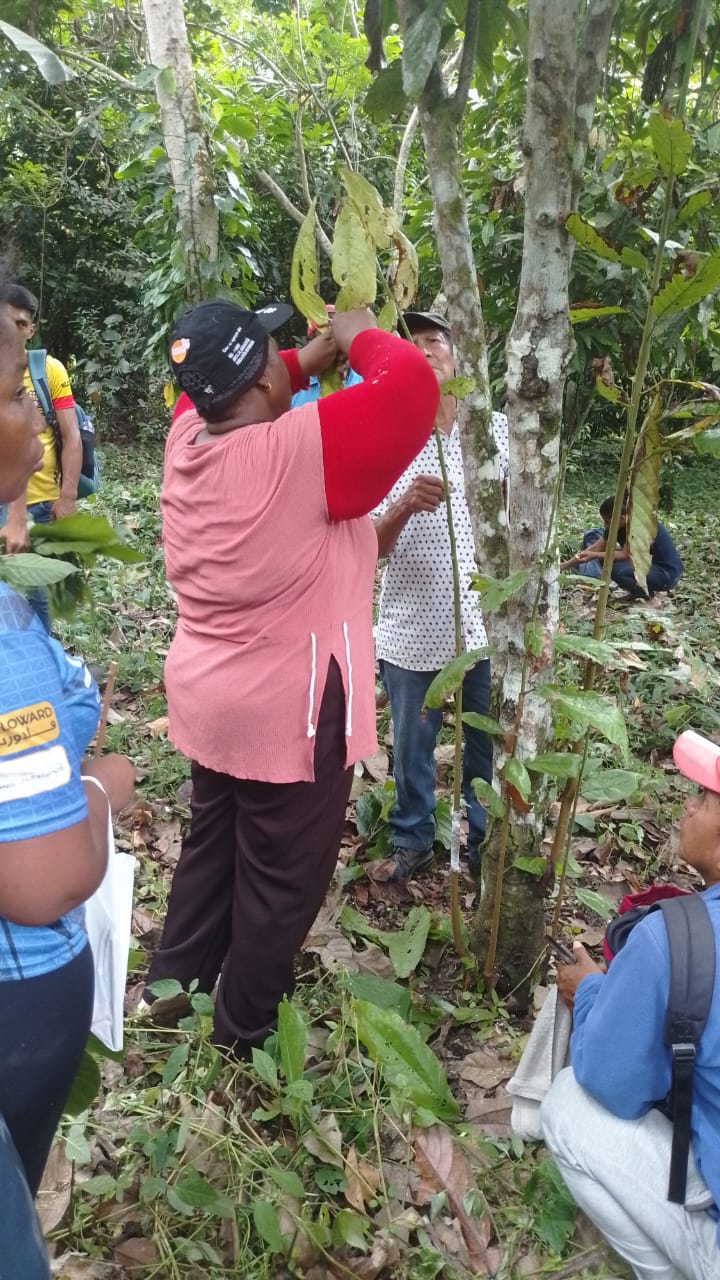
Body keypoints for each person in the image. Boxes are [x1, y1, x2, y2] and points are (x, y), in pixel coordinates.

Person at [143, 300, 439, 1054]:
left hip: (213, 700)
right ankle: (241, 1033)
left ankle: (170, 991)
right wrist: (357, 332)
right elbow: (409, 387)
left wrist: (306, 359)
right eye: (276, 357)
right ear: (265, 385)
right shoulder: (300, 453)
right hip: (292, 708)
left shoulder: (187, 437)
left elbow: (218, 391)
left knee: (212, 846)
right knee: (281, 878)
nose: (289, 362)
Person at [0, 311, 134, 1270]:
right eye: (16, 392)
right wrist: (98, 792)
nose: (36, 420)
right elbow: (41, 882)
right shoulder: (7, 643)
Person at [541, 728, 720, 1280]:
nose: (688, 804)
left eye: (704, 797)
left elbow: (611, 1082)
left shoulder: (675, 939)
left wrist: (591, 991)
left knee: (568, 1105)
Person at [370, 311, 509, 882]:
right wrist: (405, 504)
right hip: (411, 628)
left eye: (435, 341)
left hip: (483, 626)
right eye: (413, 343)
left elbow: (521, 524)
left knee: (484, 743)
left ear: (459, 355)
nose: (424, 350)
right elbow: (371, 547)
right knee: (412, 745)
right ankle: (413, 840)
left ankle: (482, 842)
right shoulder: (389, 435)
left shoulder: (495, 433)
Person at [0, 283, 84, 632]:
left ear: (31, 329)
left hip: (40, 503)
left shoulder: (48, 370)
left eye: (21, 324)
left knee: (38, 596)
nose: (14, 331)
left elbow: (71, 435)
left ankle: (40, 652)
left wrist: (67, 497)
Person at [561, 494, 683, 598]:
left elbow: (625, 554)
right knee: (596, 545)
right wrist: (564, 565)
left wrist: (593, 555)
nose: (605, 525)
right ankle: (638, 591)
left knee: (617, 570)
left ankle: (647, 596)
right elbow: (596, 548)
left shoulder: (638, 525)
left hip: (666, 573)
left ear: (622, 518)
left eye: (607, 521)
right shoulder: (615, 525)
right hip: (646, 565)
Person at [291, 306, 363, 408]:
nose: (335, 350)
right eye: (329, 342)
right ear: (311, 344)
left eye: (341, 342)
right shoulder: (294, 390)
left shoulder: (367, 379)